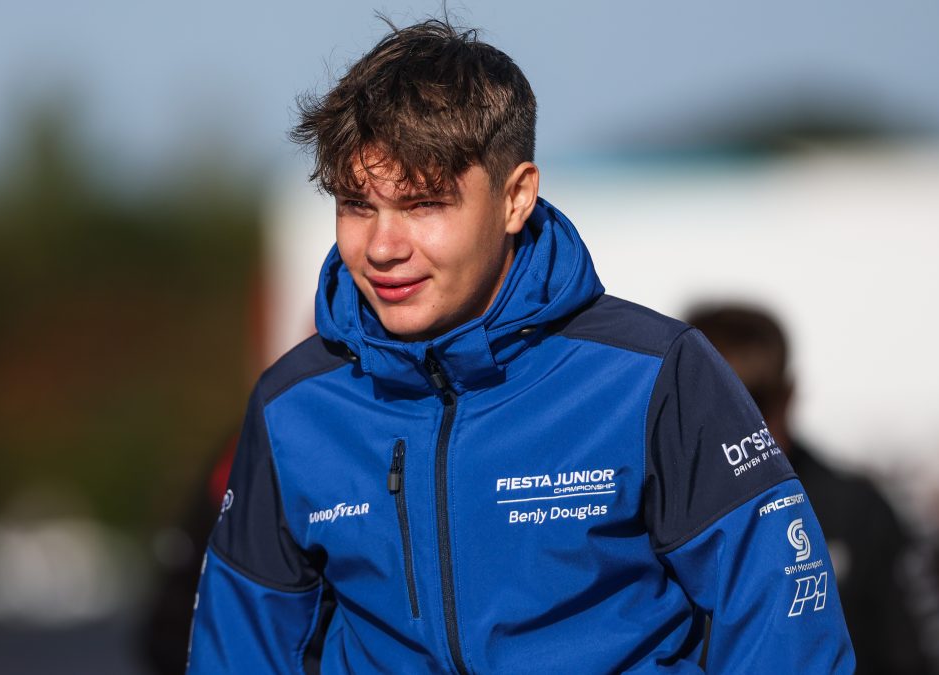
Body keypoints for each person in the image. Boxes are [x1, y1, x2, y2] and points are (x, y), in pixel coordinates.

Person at [187, 18, 854, 673]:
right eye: (358, 204)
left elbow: (785, 625)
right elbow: (237, 648)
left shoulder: (651, 375)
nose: (383, 246)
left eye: (423, 204)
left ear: (516, 197)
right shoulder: (293, 405)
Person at [688, 303, 930, 674]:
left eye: (760, 404)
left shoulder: (856, 509)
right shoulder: (651, 513)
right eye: (725, 409)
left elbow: (916, 649)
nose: (746, 433)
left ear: (788, 396)